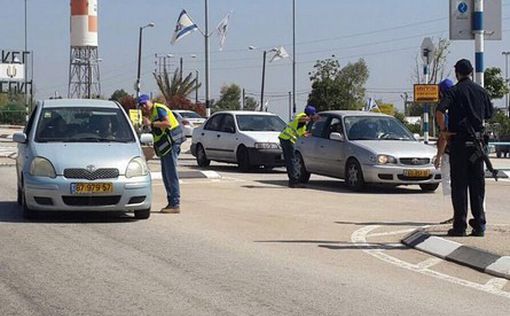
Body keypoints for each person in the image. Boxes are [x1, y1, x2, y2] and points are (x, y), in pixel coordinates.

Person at [436, 59, 494, 237]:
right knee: (477, 185)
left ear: (457, 73)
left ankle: (460, 225)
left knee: (459, 186)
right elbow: (489, 113)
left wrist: (445, 131)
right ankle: (479, 225)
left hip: (460, 144)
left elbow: (439, 111)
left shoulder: (454, 91)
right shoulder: (481, 91)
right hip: (477, 145)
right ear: (470, 72)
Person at [138, 95, 186, 214]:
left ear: (150, 101)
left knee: (171, 174)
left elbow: (167, 123)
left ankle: (175, 203)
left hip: (171, 143)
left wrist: (152, 124)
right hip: (165, 146)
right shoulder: (152, 114)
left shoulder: (159, 108)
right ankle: (171, 202)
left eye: (144, 103)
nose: (144, 106)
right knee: (166, 175)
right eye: (141, 105)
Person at [279, 105, 318, 188]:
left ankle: (292, 181)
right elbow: (301, 119)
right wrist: (311, 119)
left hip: (285, 139)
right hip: (287, 139)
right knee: (292, 160)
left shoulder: (303, 125)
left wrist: (308, 134)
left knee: (290, 160)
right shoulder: (302, 116)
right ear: (310, 114)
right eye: (312, 115)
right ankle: (294, 181)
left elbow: (301, 132)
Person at [434, 78, 454, 224]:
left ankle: (457, 214)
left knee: (450, 183)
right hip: (465, 151)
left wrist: (439, 156)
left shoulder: (444, 109)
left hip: (450, 153)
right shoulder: (459, 105)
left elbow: (444, 136)